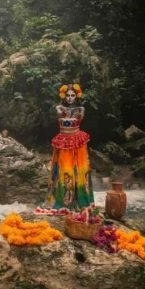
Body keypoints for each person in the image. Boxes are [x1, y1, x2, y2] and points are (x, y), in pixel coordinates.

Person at [35, 83, 95, 214]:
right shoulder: (59, 108)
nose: (70, 98)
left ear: (77, 96)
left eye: (72, 95)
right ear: (63, 95)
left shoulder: (81, 109)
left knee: (80, 170)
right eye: (67, 95)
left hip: (78, 140)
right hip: (63, 141)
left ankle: (80, 199)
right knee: (64, 170)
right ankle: (63, 200)